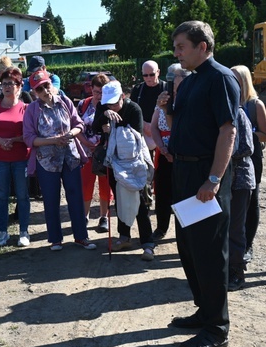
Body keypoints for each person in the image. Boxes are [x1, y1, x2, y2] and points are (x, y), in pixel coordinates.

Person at [165, 20, 239, 347]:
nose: (176, 52)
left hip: (204, 177)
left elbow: (228, 131)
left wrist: (213, 179)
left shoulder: (220, 78)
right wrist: (167, 108)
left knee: (209, 253)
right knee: (189, 248)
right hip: (184, 172)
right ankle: (204, 310)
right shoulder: (192, 80)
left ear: (202, 47)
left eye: (181, 46)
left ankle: (217, 327)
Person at [24, 70, 96, 251]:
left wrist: (70, 133)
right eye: (40, 89)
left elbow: (78, 124)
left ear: (52, 85)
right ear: (34, 92)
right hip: (46, 161)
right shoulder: (32, 109)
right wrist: (53, 141)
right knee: (51, 199)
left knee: (75, 197)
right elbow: (29, 138)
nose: (45, 91)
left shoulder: (65, 102)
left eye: (46, 86)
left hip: (70, 157)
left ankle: (81, 236)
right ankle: (55, 239)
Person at [93, 80, 155, 260]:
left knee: (140, 201)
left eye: (114, 102)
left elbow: (135, 135)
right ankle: (124, 236)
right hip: (113, 163)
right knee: (120, 200)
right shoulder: (104, 108)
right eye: (108, 103)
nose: (111, 105)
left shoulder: (134, 108)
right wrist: (105, 117)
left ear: (122, 96)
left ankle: (147, 242)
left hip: (135, 163)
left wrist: (113, 128)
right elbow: (95, 127)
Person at [0, 67, 31, 247]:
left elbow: (30, 133)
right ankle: (3, 231)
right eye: (4, 84)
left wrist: (15, 139)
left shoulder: (26, 108)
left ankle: (24, 232)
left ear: (20, 86)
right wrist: (0, 141)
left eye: (11, 83)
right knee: (2, 195)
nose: (7, 87)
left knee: (22, 195)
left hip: (21, 158)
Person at [230, 65, 266, 263]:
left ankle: (248, 244)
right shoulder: (228, 102)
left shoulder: (255, 104)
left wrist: (243, 133)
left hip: (250, 158)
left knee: (251, 200)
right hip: (232, 159)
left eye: (235, 78)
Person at [151, 64, 190, 241]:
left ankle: (185, 230)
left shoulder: (189, 99)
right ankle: (161, 227)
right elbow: (153, 127)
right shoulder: (163, 99)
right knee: (162, 192)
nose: (171, 81)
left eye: (175, 77)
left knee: (183, 194)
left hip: (183, 155)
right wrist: (163, 148)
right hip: (165, 154)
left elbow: (179, 128)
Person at [77, 73, 114, 232]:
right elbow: (75, 126)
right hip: (86, 153)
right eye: (96, 92)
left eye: (102, 93)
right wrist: (85, 142)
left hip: (105, 152)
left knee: (105, 186)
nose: (99, 96)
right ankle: (84, 216)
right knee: (85, 185)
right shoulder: (82, 105)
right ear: (90, 89)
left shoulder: (111, 106)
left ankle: (103, 216)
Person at [229, 105, 255, 291]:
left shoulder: (238, 113)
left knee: (235, 229)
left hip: (240, 179)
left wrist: (220, 156)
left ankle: (238, 274)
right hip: (222, 180)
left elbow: (247, 146)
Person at [130, 60, 167, 152]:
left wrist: (154, 127)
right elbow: (131, 111)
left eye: (152, 74)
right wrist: (143, 124)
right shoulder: (137, 89)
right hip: (143, 132)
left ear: (158, 72)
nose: (148, 78)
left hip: (163, 133)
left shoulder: (167, 88)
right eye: (145, 75)